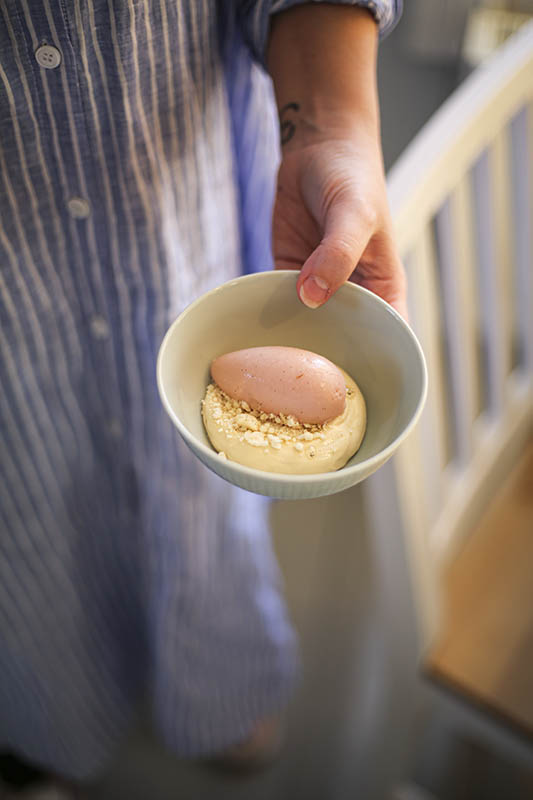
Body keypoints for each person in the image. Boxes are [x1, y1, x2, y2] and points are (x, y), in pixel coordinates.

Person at [0, 0, 405, 796]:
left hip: (181, 209)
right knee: (25, 505)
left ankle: (213, 686)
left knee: (198, 503)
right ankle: (46, 718)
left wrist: (326, 124)